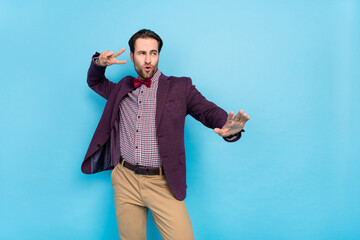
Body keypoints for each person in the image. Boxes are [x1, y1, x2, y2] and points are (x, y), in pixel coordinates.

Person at [81, 29, 251, 240]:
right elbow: (95, 82)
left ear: (159, 55)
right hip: (125, 179)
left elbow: (206, 110)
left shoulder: (180, 87)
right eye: (142, 53)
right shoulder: (122, 88)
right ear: (132, 56)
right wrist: (98, 63)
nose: (148, 60)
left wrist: (228, 127)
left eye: (153, 53)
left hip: (163, 183)